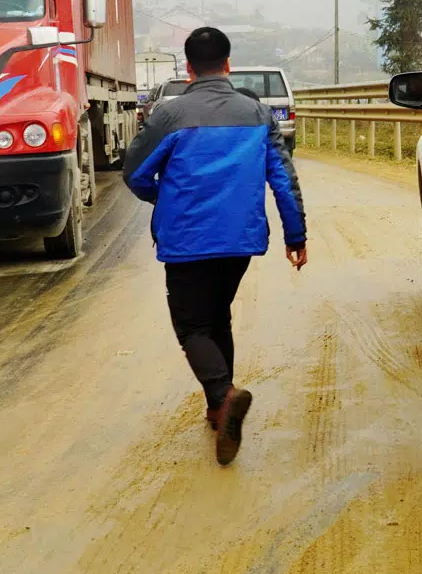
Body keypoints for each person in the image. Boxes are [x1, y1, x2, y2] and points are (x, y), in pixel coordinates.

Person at [122, 27, 308, 465]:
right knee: (216, 315)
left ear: (188, 67)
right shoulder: (258, 114)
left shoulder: (170, 115)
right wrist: (295, 236)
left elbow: (134, 173)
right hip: (239, 241)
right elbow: (284, 179)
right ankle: (216, 408)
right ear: (228, 64)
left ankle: (226, 394)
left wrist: (162, 197)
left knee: (191, 327)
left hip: (187, 241)